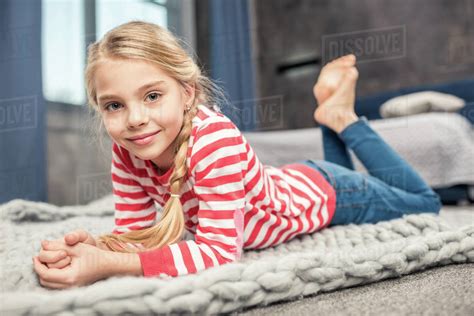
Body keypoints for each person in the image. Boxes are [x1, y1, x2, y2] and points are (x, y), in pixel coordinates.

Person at [32, 21, 441, 289]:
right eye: (114, 106)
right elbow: (138, 237)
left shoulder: (214, 141)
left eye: (153, 96)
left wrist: (109, 265)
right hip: (300, 178)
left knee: (426, 202)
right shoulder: (128, 151)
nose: (134, 119)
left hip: (333, 195)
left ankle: (343, 118)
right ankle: (331, 115)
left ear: (187, 92)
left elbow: (219, 254)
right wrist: (99, 249)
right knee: (343, 173)